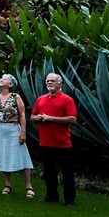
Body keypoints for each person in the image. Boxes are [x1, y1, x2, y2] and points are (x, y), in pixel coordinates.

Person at [32, 73, 77, 206]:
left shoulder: (67, 100)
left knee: (67, 172)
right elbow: (33, 115)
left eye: (53, 81)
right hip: (45, 143)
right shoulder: (41, 99)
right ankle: (51, 195)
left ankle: (69, 199)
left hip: (62, 144)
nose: (50, 83)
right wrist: (37, 118)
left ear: (60, 83)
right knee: (49, 171)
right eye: (48, 81)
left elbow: (72, 119)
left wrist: (51, 118)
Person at [0, 74, 35, 197]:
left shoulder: (16, 97)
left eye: (4, 79)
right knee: (4, 156)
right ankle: (7, 184)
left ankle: (29, 186)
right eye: (1, 78)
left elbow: (22, 115)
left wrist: (23, 132)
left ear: (10, 84)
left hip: (13, 129)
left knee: (20, 156)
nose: (1, 80)